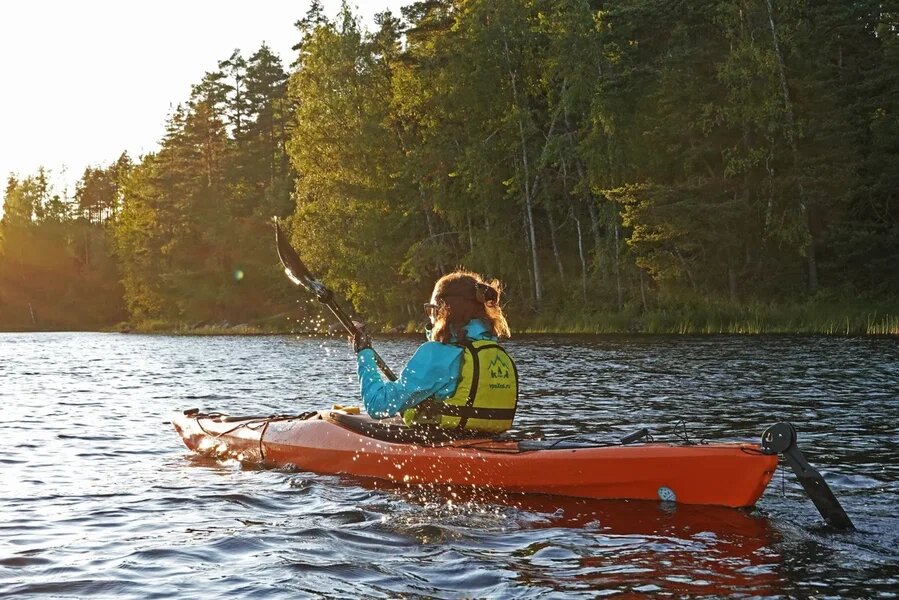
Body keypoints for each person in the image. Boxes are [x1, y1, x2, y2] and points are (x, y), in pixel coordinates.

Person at [351, 270, 518, 433]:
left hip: (445, 444)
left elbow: (378, 406)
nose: (430, 317)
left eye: (431, 310)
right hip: (489, 440)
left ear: (443, 310)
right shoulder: (496, 352)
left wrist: (364, 352)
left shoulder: (436, 355)